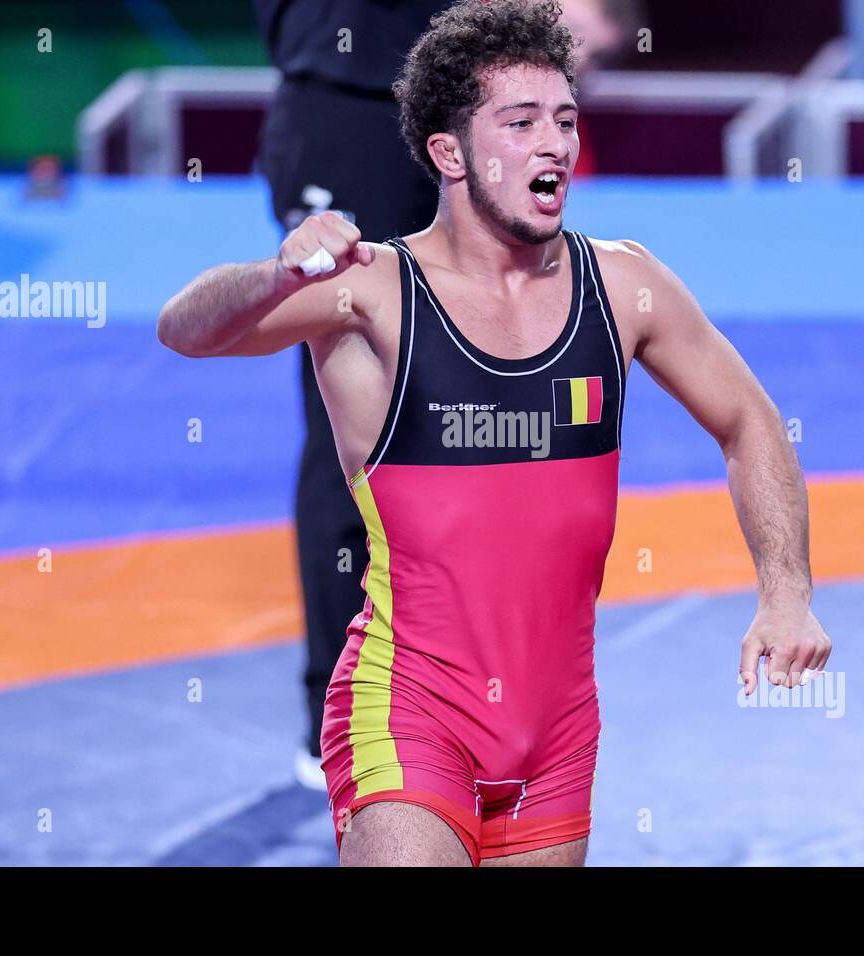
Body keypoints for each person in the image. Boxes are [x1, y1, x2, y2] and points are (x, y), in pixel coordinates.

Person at [160, 0, 832, 866]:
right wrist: (271, 273)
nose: (553, 143)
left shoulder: (625, 286)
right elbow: (185, 329)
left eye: (563, 119)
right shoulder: (375, 295)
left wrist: (786, 589)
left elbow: (750, 421)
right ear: (450, 154)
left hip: (556, 735)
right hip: (408, 714)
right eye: (519, 124)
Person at [252, 0, 635, 789]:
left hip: (448, 100)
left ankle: (470, 688)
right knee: (351, 412)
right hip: (348, 104)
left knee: (470, 378)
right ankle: (337, 704)